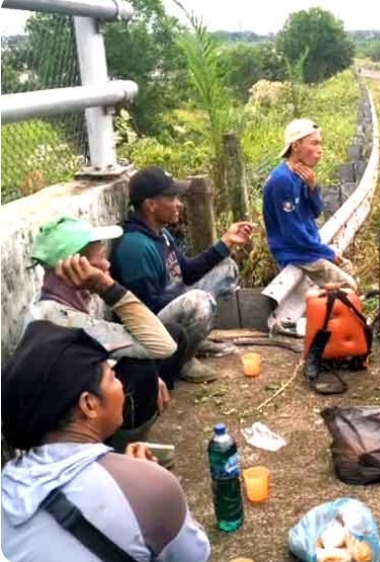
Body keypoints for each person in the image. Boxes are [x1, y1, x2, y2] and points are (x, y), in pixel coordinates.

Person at [0, 321, 210, 562]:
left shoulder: (8, 485)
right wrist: (141, 480)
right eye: (112, 377)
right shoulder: (151, 486)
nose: (121, 384)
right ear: (89, 404)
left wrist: (129, 475)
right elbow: (194, 556)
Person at [24, 216, 188, 452]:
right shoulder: (62, 318)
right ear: (77, 267)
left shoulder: (52, 300)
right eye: (100, 259)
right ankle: (123, 451)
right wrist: (107, 287)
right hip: (69, 432)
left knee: (171, 336)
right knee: (142, 370)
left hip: (76, 400)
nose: (107, 265)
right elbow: (164, 346)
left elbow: (96, 351)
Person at [110, 166, 254, 383]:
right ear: (151, 204)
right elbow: (143, 310)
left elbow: (187, 271)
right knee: (198, 301)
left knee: (226, 268)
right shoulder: (135, 247)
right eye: (172, 198)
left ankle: (194, 341)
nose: (179, 204)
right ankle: (183, 360)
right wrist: (188, 298)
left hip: (170, 305)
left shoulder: (161, 233)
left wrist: (226, 242)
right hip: (148, 329)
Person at [263, 118, 357, 292]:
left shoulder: (301, 174)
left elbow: (315, 212)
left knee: (347, 267)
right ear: (296, 146)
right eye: (314, 143)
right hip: (296, 253)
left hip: (307, 248)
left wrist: (313, 186)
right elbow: (293, 234)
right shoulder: (282, 180)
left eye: (320, 144)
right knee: (348, 286)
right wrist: (326, 253)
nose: (320, 150)